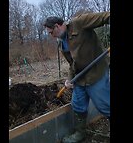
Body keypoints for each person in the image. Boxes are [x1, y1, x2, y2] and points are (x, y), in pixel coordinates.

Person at [43, 12, 110, 143]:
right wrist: (69, 79)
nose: (51, 36)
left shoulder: (79, 23)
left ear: (57, 26)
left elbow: (105, 17)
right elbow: (72, 64)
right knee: (78, 105)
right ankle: (80, 133)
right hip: (80, 78)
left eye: (51, 32)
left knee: (105, 105)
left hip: (95, 74)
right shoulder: (62, 43)